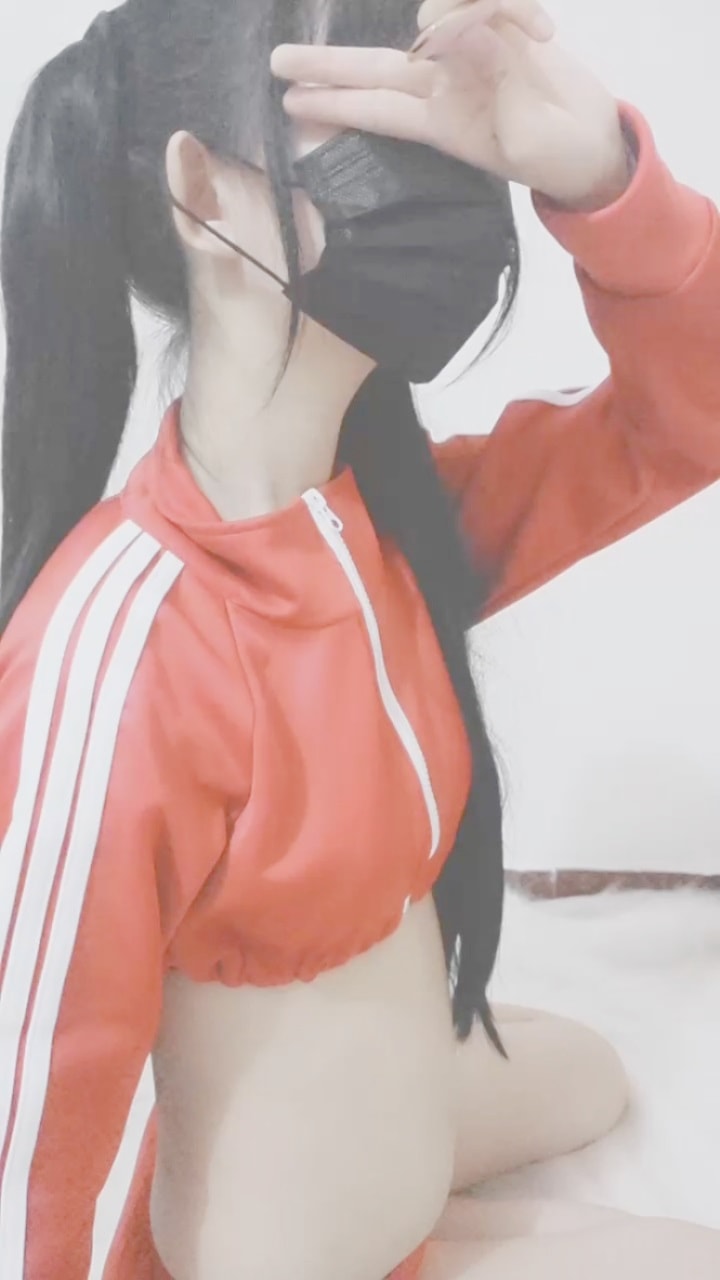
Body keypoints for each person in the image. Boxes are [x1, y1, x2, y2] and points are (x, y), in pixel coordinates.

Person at [0, 0, 719, 1277]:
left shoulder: (389, 523)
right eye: (354, 93)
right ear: (203, 188)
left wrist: (606, 177)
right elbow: (23, 1118)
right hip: (289, 1246)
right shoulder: (121, 653)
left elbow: (686, 422)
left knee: (596, 1075)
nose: (435, 143)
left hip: (395, 1120)